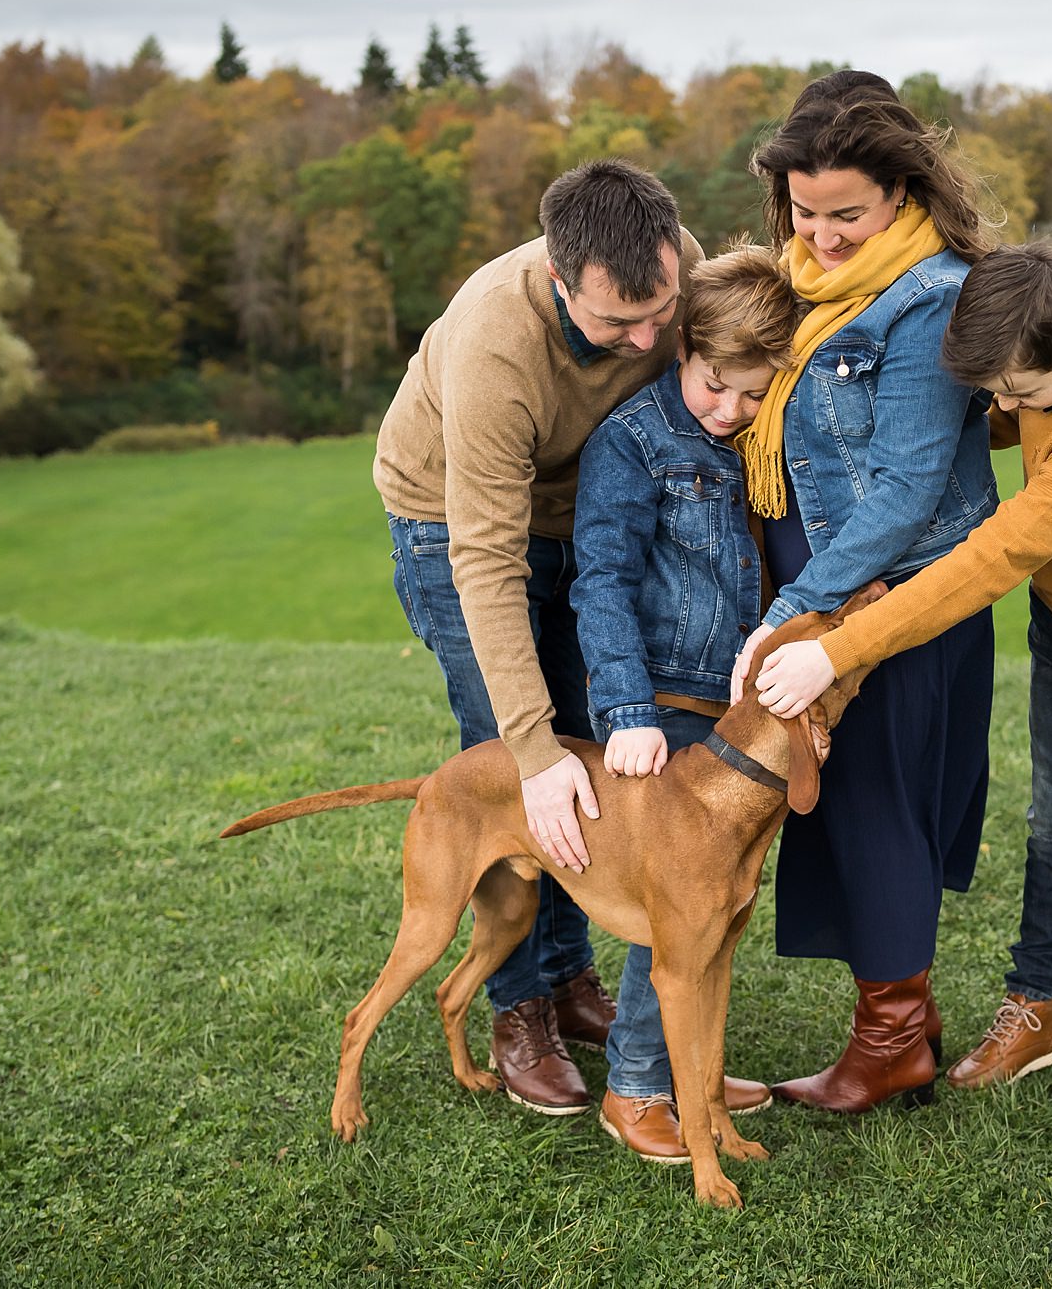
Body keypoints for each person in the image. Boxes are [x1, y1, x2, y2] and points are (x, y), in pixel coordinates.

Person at [752, 242, 1052, 1146]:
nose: (1001, 411)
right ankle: (1036, 1008)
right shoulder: (1031, 339)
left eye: (1015, 393)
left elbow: (992, 558)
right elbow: (984, 421)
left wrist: (837, 647)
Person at [376, 158, 701, 1116]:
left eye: (661, 311)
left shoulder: (667, 264)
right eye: (618, 324)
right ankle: (521, 1008)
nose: (648, 338)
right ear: (562, 281)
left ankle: (569, 981)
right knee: (528, 768)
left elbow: (757, 297)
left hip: (572, 511)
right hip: (452, 523)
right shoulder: (494, 349)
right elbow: (485, 560)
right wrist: (527, 745)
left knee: (586, 758)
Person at [730, 70, 1000, 1113]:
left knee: (877, 800)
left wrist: (786, 612)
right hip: (824, 587)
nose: (823, 234)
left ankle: (889, 1043)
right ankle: (907, 1022)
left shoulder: (931, 296)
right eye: (804, 210)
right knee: (843, 798)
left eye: (846, 213)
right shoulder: (799, 280)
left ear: (901, 191)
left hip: (894, 595)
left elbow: (901, 493)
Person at [570, 244, 803, 1159]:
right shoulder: (633, 443)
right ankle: (635, 1087)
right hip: (656, 706)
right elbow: (602, 581)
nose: (731, 409)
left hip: (726, 710)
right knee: (673, 905)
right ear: (682, 350)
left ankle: (690, 1080)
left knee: (718, 904)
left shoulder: (754, 437)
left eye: (754, 393)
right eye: (716, 385)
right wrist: (625, 711)